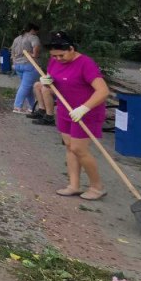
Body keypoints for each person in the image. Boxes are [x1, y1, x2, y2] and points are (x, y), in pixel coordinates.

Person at [41, 31, 110, 201]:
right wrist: (48, 84)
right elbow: (55, 84)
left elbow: (103, 91)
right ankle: (74, 185)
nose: (58, 59)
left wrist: (84, 108)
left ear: (71, 49)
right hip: (65, 110)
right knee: (70, 146)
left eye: (61, 55)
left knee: (79, 149)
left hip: (86, 112)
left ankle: (97, 187)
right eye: (54, 56)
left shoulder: (85, 63)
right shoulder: (54, 61)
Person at [10, 23, 42, 114]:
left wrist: (14, 63)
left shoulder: (17, 39)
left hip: (18, 65)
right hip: (30, 65)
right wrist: (32, 54)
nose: (36, 33)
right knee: (25, 87)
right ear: (32, 30)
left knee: (28, 87)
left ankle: (31, 107)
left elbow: (12, 53)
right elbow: (35, 52)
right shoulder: (33, 37)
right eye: (36, 31)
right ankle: (17, 107)